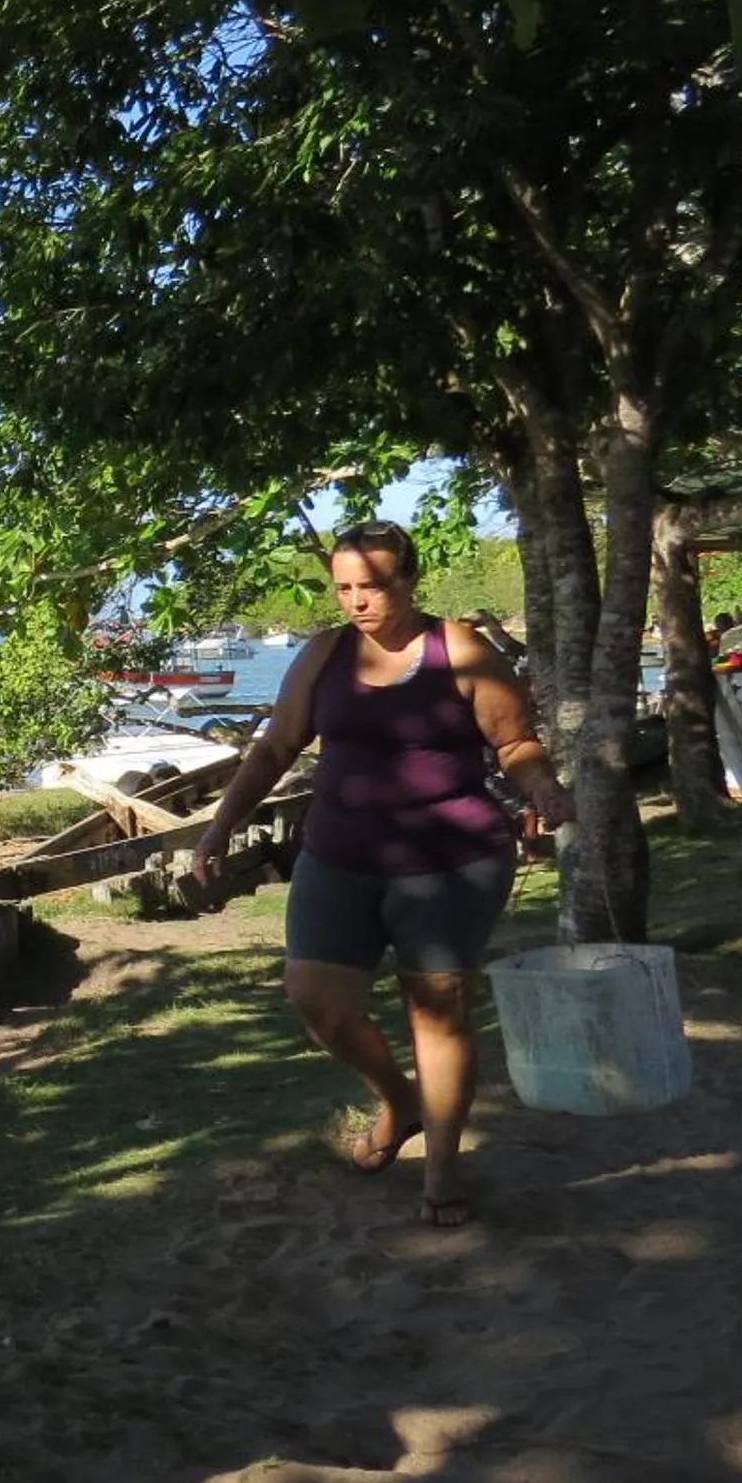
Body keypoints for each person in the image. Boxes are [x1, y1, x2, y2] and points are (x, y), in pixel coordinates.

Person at [192, 519, 572, 1228]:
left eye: (373, 585)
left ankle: (442, 1172)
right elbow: (276, 745)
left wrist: (542, 789)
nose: (358, 601)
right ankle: (400, 1101)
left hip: (450, 862)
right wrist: (222, 824)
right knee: (318, 1000)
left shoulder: (459, 649)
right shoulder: (325, 654)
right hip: (339, 856)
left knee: (437, 1008)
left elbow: (516, 740)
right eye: (344, 588)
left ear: (408, 579)